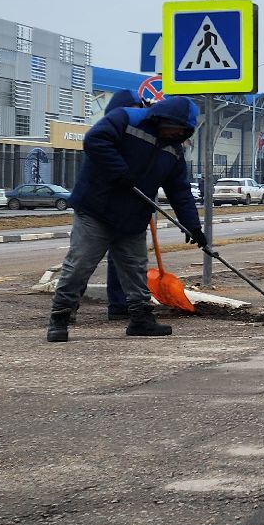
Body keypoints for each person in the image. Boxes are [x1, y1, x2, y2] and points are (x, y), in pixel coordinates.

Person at [46, 95, 207, 343]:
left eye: (182, 131)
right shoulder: (125, 119)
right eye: (173, 128)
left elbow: (180, 191)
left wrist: (193, 226)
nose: (176, 134)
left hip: (133, 217)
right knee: (80, 265)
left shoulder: (174, 151)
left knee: (135, 270)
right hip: (97, 209)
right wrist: (119, 171)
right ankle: (60, 317)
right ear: (162, 119)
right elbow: (95, 140)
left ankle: (141, 319)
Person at [99, 89, 145, 322]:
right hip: (99, 207)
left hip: (128, 206)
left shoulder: (138, 136)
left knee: (123, 259)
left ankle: (120, 305)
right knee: (84, 259)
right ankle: (68, 307)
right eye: (132, 111)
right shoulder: (107, 133)